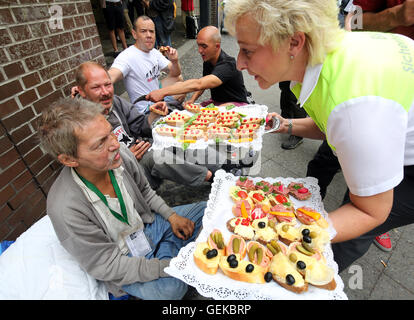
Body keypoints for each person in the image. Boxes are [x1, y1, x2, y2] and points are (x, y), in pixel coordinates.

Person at [224, 0, 414, 273]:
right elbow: (334, 125)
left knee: (343, 236)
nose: (239, 63)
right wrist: (284, 125)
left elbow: (371, 211)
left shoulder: (356, 110)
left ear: (294, 43)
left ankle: (311, 278)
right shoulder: (328, 56)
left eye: (248, 51)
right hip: (377, 123)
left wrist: (287, 233)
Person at [37, 97, 205, 299]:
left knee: (208, 209)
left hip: (148, 226)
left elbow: (145, 191)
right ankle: (173, 250)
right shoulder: (65, 208)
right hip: (123, 258)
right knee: (171, 289)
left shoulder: (121, 156)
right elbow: (108, 264)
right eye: (100, 144)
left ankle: (170, 246)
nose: (115, 145)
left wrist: (171, 216)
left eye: (110, 133)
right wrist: (166, 267)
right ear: (69, 159)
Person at [74, 61, 215, 189]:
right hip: (121, 170)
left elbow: (139, 125)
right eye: (96, 87)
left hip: (142, 148)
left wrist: (154, 113)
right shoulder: (78, 121)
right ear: (81, 91)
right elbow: (90, 166)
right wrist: (124, 158)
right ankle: (211, 178)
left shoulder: (115, 101)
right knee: (157, 157)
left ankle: (220, 167)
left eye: (108, 84)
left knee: (178, 139)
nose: (105, 92)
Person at [146, 26, 249, 107]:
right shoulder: (208, 60)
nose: (200, 51)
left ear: (217, 46)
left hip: (236, 105)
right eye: (198, 45)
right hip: (217, 103)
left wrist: (162, 92)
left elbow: (199, 83)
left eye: (204, 46)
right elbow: (203, 83)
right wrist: (192, 100)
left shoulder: (228, 64)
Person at [109, 15, 183, 114]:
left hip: (157, 97)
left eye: (151, 31)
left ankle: (171, 112)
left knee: (180, 81)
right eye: (143, 31)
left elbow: (176, 73)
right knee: (180, 87)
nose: (149, 35)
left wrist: (175, 61)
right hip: (145, 109)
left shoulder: (154, 52)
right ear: (134, 34)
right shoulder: (127, 56)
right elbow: (111, 75)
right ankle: (165, 116)